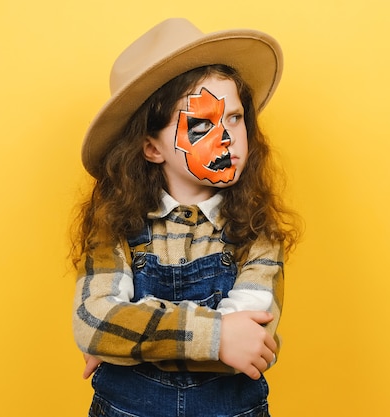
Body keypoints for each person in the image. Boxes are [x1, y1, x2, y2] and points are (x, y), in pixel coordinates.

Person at [71, 18, 300, 417]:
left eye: (234, 118)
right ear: (151, 148)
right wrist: (218, 337)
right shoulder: (115, 225)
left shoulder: (259, 230)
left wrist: (129, 346)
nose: (226, 138)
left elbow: (250, 342)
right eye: (200, 124)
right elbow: (94, 324)